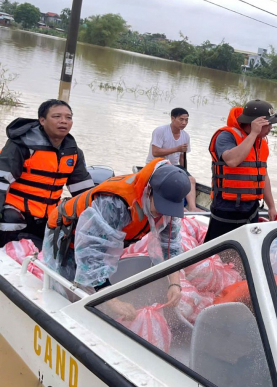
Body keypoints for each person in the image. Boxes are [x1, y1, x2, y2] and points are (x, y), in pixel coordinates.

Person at [42, 158, 189, 319]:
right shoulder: (115, 203)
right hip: (66, 235)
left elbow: (171, 246)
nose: (163, 214)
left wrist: (175, 283)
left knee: (95, 293)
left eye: (169, 209)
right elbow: (91, 250)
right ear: (148, 190)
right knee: (66, 294)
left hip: (100, 242)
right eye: (161, 206)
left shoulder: (168, 208)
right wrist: (112, 301)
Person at [0, 99, 93, 249]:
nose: (63, 121)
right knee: (10, 220)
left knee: (77, 226)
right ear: (42, 120)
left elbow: (83, 191)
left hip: (49, 215)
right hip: (16, 211)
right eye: (57, 116)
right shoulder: (21, 145)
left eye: (68, 117)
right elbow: (1, 180)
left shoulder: (74, 152)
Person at [207, 100, 277, 241]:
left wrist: (271, 207)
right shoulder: (226, 136)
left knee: (247, 247)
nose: (271, 127)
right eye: (268, 123)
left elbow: (263, 175)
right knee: (219, 249)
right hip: (226, 207)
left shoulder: (260, 142)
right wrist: (253, 133)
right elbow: (232, 160)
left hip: (251, 208)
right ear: (255, 123)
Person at [146, 107, 199, 211]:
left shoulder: (185, 136)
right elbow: (155, 152)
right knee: (171, 181)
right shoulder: (160, 131)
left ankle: (193, 207)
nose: (184, 123)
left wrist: (184, 173)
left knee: (191, 180)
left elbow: (182, 157)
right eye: (181, 119)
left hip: (174, 166)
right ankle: (177, 206)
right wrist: (177, 149)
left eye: (186, 120)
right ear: (172, 118)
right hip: (157, 164)